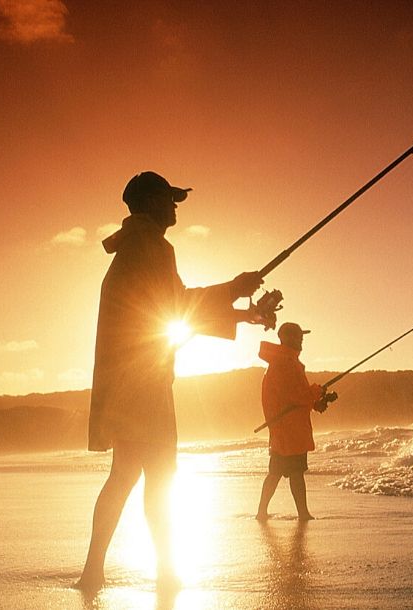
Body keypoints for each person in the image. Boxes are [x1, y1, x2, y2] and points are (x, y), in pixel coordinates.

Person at [77, 171, 263, 592]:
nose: (176, 207)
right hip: (145, 383)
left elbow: (172, 310)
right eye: (170, 199)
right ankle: (163, 573)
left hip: (129, 383)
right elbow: (177, 306)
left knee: (124, 475)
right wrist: (234, 289)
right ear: (151, 202)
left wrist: (240, 310)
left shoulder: (135, 247)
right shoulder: (152, 246)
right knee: (158, 476)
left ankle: (95, 571)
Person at [256, 322, 337, 521]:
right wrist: (316, 392)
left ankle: (266, 512)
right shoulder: (285, 363)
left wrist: (314, 403)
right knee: (289, 472)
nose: (301, 340)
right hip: (288, 431)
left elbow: (293, 398)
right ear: (287, 338)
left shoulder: (284, 361)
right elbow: (296, 395)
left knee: (283, 472)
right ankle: (295, 513)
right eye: (299, 336)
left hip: (287, 429)